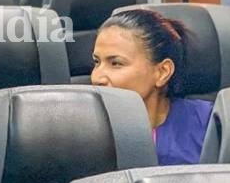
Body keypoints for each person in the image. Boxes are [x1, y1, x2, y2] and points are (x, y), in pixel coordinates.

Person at [91, 9, 213, 165]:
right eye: (97, 62)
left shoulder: (209, 123)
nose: (96, 78)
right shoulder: (84, 131)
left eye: (116, 63)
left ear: (162, 72)